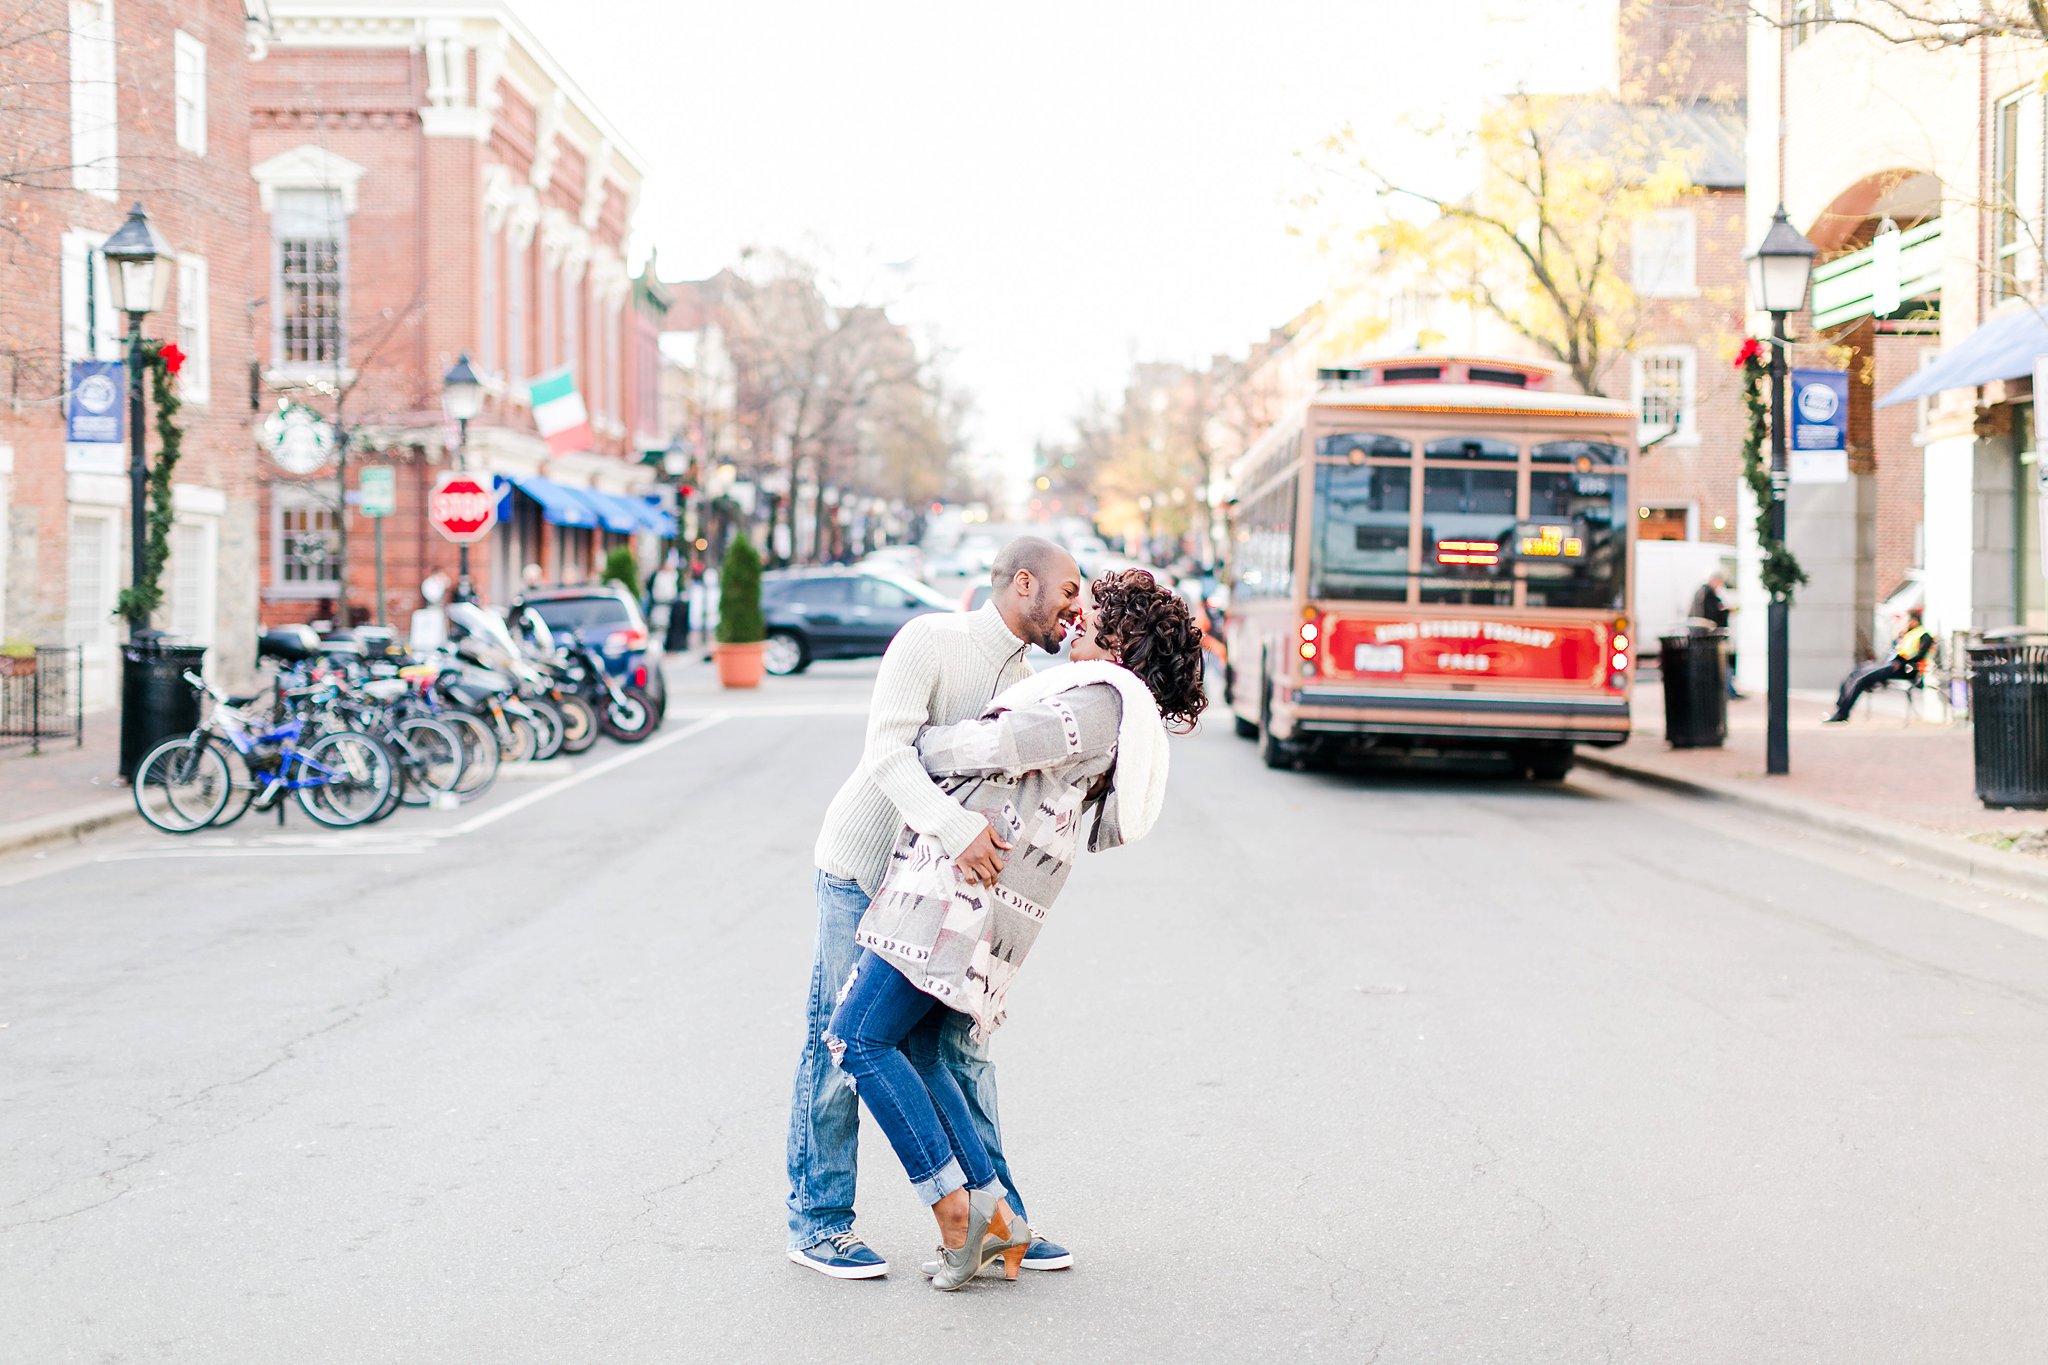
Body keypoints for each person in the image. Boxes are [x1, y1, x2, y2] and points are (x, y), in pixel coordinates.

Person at [825, 569, 1207, 1289]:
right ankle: (999, 1218)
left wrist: (919, 742)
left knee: (859, 1038)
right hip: (977, 899)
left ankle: (955, 1213)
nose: (1079, 618)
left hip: (954, 900)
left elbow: (990, 747)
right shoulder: (1113, 708)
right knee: (923, 1049)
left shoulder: (1099, 701)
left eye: (1094, 613)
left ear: (1122, 639)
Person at [785, 536, 1083, 1280]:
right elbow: (889, 754)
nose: (1076, 606)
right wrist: (957, 833)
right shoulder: (930, 640)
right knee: (840, 1047)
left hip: (938, 897)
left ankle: (1002, 1219)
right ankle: (819, 1223)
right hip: (862, 869)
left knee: (956, 1053)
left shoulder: (1032, 675)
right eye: (1070, 590)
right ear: (1024, 584)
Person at [1825, 607, 1935, 722]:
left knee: (1860, 680)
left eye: (1905, 620)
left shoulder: (1924, 636)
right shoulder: (1907, 634)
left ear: (1914, 621)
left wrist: (1902, 662)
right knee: (1854, 673)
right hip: (1891, 664)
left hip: (1904, 669)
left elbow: (1919, 656)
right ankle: (1839, 708)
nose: (1902, 623)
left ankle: (1842, 714)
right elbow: (1894, 651)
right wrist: (1897, 635)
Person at [1688, 570, 1742, 700]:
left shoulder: (1701, 592)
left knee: (1721, 665)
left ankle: (1729, 690)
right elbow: (1712, 613)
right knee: (1721, 663)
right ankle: (1728, 691)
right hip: (1709, 637)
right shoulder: (1707, 593)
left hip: (1702, 637)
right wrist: (1727, 611)